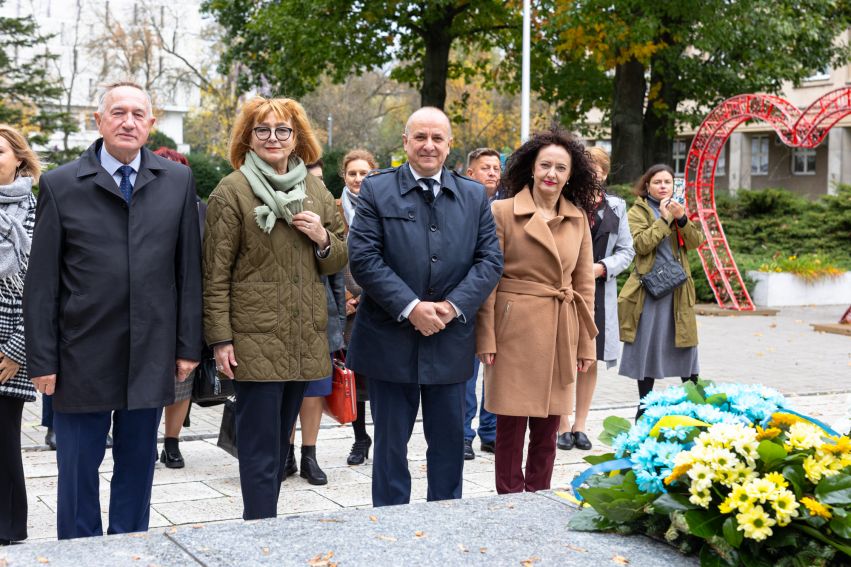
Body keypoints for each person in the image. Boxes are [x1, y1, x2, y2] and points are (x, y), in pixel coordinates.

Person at [24, 82, 203, 540]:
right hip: (80, 355)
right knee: (78, 471)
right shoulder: (61, 184)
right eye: (117, 112)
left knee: (138, 468)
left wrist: (187, 345)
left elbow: (187, 271)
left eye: (138, 114)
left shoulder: (177, 181)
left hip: (150, 353)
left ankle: (129, 549)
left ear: (150, 123)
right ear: (98, 120)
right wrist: (42, 360)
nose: (128, 121)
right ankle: (81, 553)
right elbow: (41, 282)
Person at [347, 107, 503, 507]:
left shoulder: (472, 195)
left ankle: (446, 521)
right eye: (420, 137)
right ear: (405, 142)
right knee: (390, 447)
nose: (428, 145)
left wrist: (451, 307)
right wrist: (411, 306)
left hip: (450, 340)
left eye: (437, 138)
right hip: (389, 339)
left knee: (450, 444)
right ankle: (389, 524)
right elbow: (363, 257)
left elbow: (490, 261)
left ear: (450, 144)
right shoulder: (378, 190)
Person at [203, 96, 346, 520]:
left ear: (296, 138)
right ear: (247, 139)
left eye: (282, 130)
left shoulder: (315, 189)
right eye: (261, 130)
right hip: (254, 338)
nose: (272, 138)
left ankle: (267, 524)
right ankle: (259, 526)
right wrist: (220, 339)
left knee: (283, 438)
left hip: (303, 336)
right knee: (260, 445)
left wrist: (322, 237)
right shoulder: (232, 191)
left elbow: (339, 257)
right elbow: (214, 274)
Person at [476, 127, 598, 494]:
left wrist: (586, 344)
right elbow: (488, 279)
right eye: (546, 165)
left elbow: (584, 286)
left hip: (561, 328)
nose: (552, 174)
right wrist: (486, 336)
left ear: (570, 174)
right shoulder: (501, 211)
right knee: (510, 429)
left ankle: (539, 496)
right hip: (513, 330)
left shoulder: (578, 218)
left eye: (561, 168)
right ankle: (509, 499)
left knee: (548, 429)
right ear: (531, 167)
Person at [556, 147, 634, 451]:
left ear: (604, 173)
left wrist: (602, 267)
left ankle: (580, 425)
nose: (594, 172)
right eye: (587, 167)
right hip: (564, 288)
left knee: (589, 358)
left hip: (600, 289)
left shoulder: (616, 206)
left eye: (599, 168)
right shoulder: (565, 202)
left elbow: (626, 251)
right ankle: (562, 424)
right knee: (563, 354)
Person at [617, 164, 705, 420]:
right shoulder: (637, 211)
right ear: (647, 186)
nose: (663, 186)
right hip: (650, 293)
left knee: (687, 349)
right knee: (648, 351)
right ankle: (644, 410)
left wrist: (681, 219)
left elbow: (695, 242)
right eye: (657, 182)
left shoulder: (679, 210)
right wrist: (665, 220)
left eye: (667, 181)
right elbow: (641, 245)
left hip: (678, 291)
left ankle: (698, 409)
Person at [283, 158, 347, 485]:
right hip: (281, 317)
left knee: (315, 391)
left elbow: (336, 271)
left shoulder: (325, 212)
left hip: (319, 317)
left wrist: (338, 329)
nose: (315, 185)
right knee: (287, 389)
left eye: (320, 180)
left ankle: (309, 454)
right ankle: (285, 453)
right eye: (310, 179)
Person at [153, 147, 205, 469]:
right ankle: (145, 437)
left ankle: (171, 442)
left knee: (182, 377)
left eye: (177, 167)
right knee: (148, 378)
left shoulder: (202, 210)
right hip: (152, 306)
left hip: (187, 304)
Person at [0, 125, 38, 546]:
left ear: (19, 160)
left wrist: (18, 349)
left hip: (10, 346)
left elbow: (46, 291)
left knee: (3, 436)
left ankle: (10, 525)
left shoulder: (37, 212)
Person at [337, 149, 378, 466]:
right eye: (353, 173)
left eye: (364, 173)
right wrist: (345, 301)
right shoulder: (335, 211)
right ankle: (359, 438)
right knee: (353, 379)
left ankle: (386, 435)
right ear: (344, 176)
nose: (358, 179)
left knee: (378, 378)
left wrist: (370, 296)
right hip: (346, 307)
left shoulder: (383, 206)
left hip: (378, 303)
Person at [461, 147, 502, 459]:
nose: (492, 173)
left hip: (501, 301)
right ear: (470, 173)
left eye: (496, 168)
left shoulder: (509, 208)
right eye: (485, 168)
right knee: (467, 373)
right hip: (469, 299)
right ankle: (463, 434)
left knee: (495, 370)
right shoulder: (459, 204)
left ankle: (491, 432)